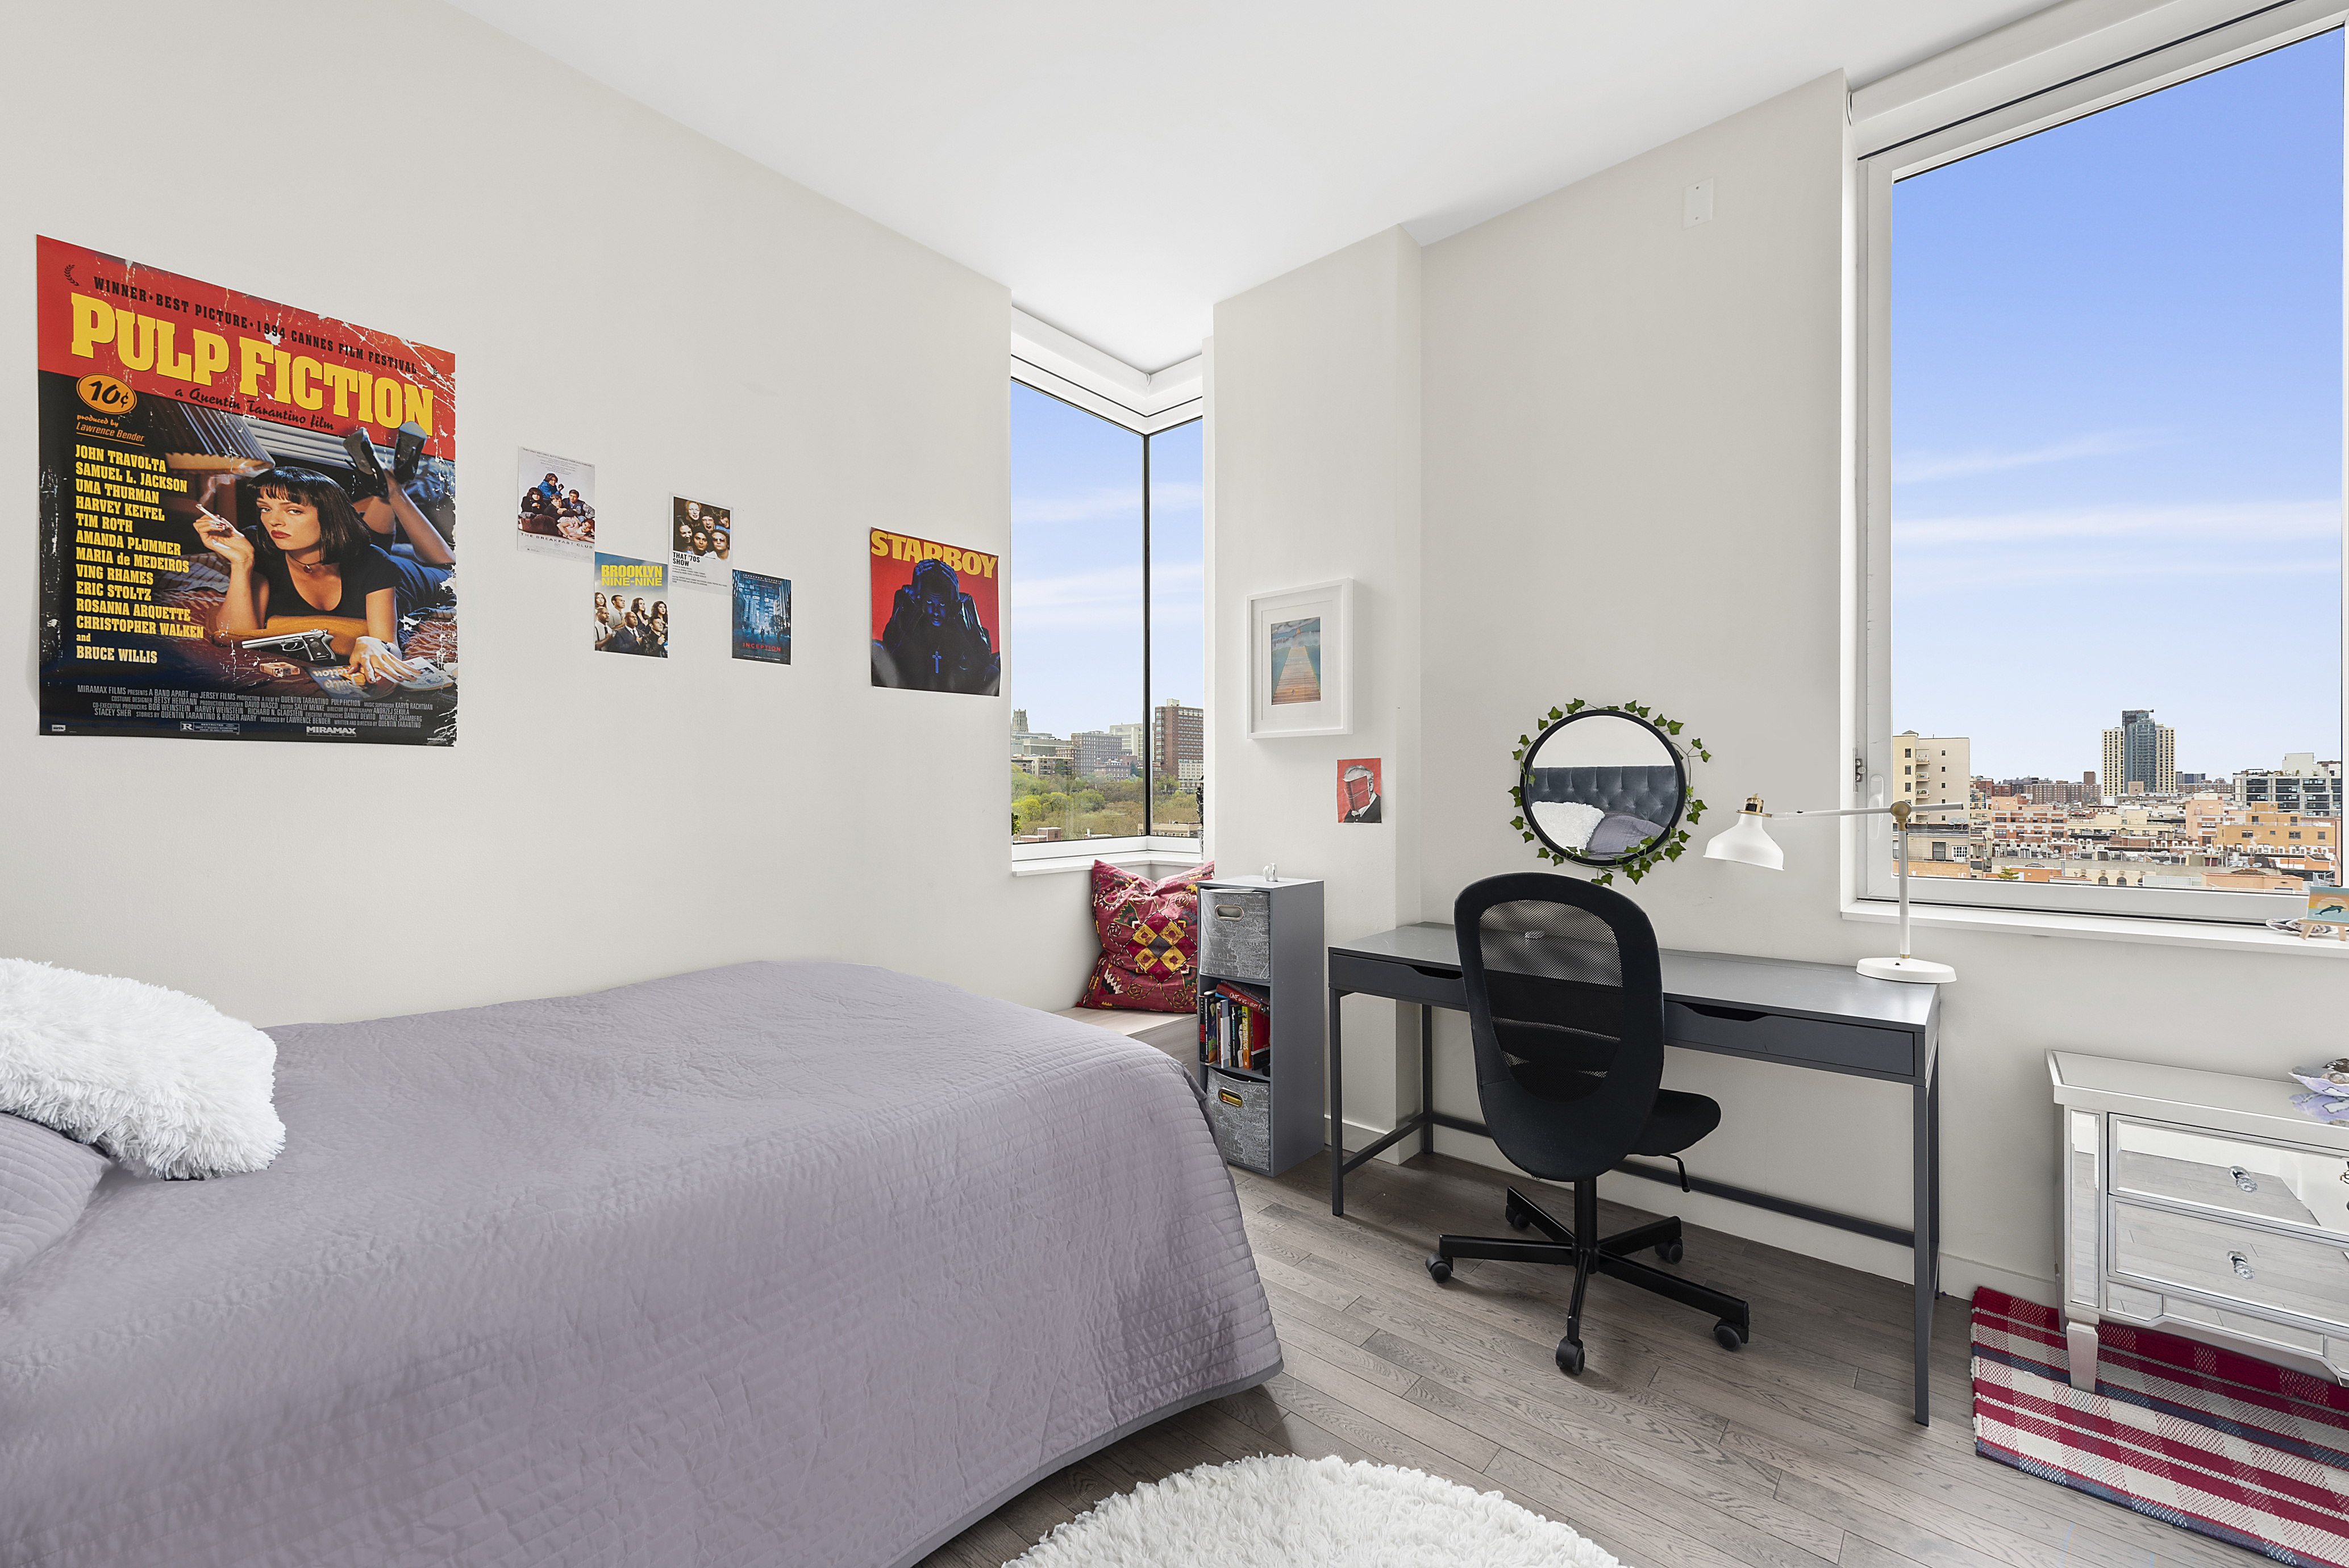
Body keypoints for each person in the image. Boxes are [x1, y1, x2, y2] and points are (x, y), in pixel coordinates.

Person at [193, 468, 438, 685]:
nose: (274, 521)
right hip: (352, 549)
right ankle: (383, 493)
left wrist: (373, 643)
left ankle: (394, 490)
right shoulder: (260, 550)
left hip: (408, 579)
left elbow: (389, 647)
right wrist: (242, 563)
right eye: (265, 509)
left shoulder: (374, 562)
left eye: (294, 511)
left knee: (447, 570)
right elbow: (236, 635)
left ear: (329, 516)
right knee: (371, 539)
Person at [871, 557, 999, 694]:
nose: (936, 611)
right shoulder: (909, 601)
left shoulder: (962, 605)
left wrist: (957, 607)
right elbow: (890, 647)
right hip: (912, 685)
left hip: (956, 687)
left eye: (942, 604)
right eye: (930, 603)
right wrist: (913, 599)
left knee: (993, 671)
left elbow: (983, 655)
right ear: (922, 600)